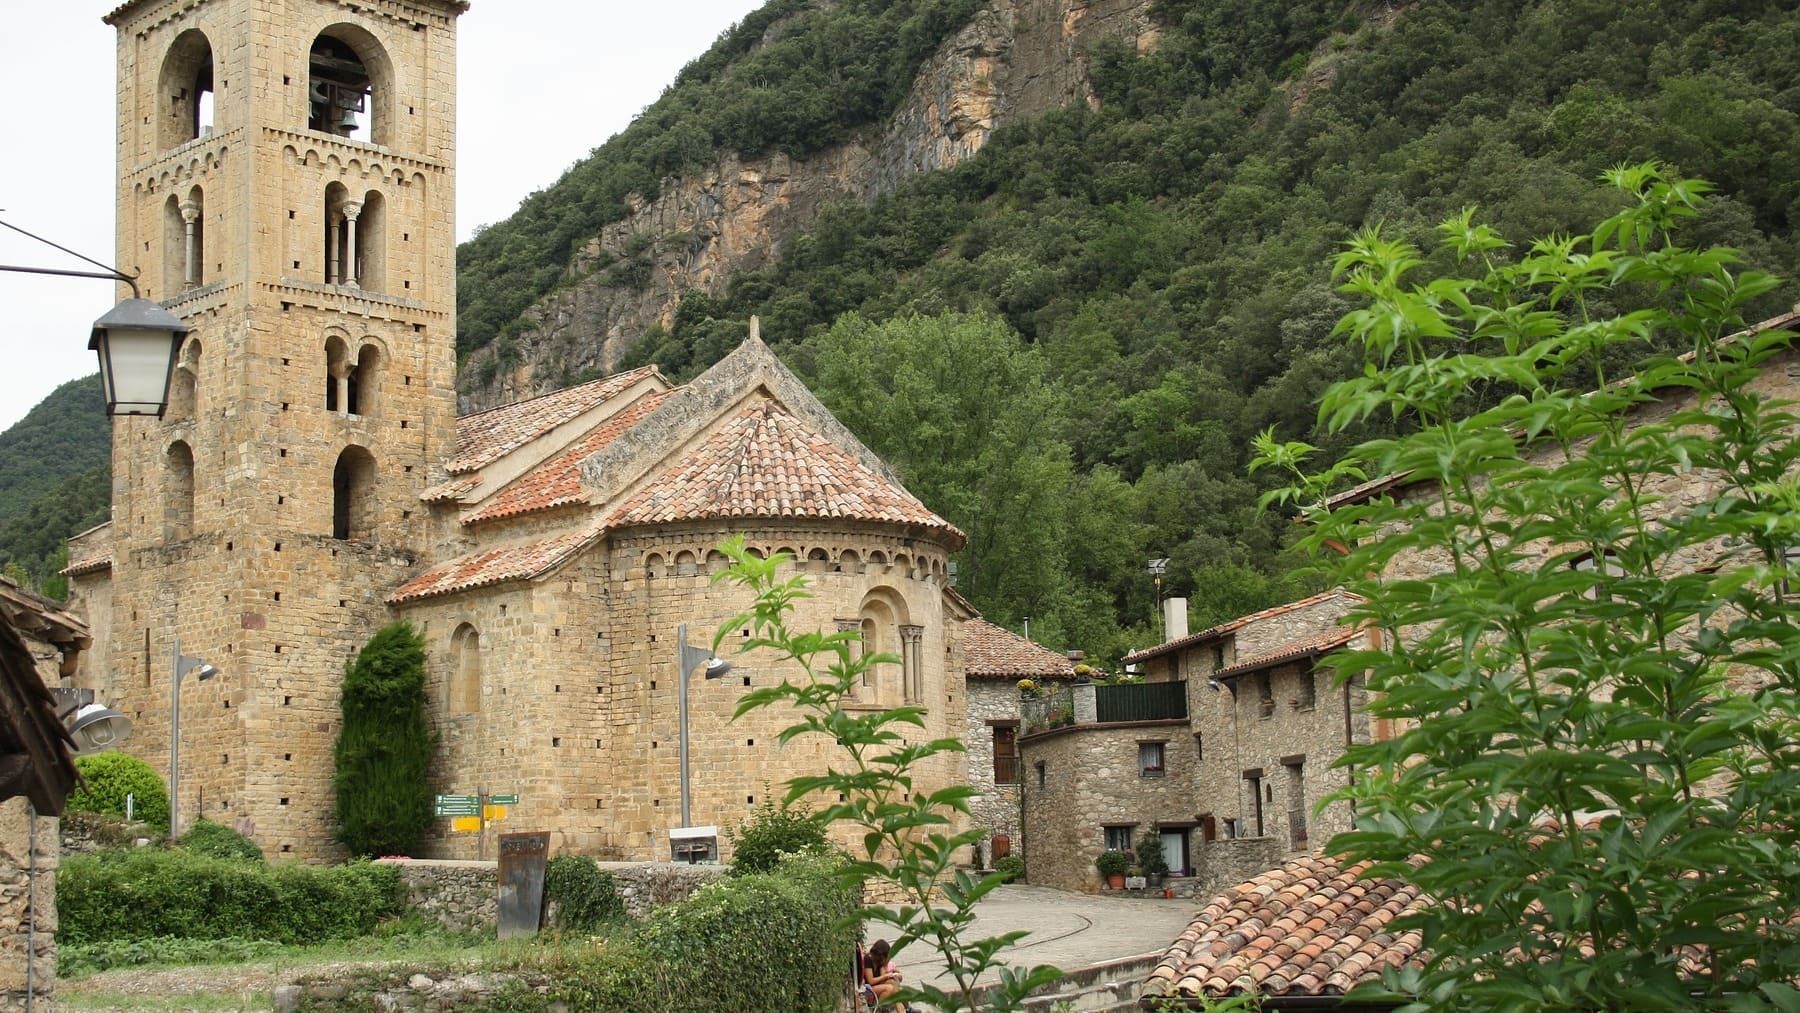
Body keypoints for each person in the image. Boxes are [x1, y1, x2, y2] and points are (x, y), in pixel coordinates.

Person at [859, 938, 907, 1011]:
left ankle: (906, 1009)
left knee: (894, 985)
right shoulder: (868, 959)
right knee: (889, 988)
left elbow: (883, 977)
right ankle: (879, 1010)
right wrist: (885, 976)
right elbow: (871, 981)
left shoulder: (879, 962)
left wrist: (892, 974)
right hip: (868, 989)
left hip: (876, 986)